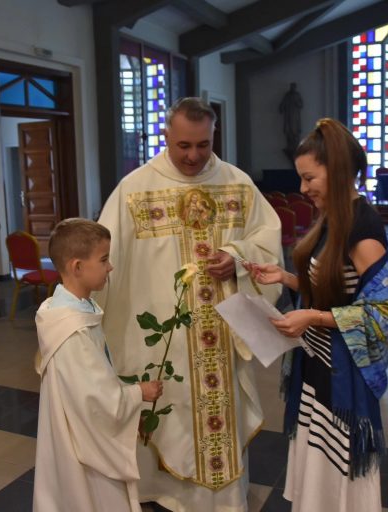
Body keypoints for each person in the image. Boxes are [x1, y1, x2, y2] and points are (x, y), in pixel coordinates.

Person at [95, 97, 283, 511]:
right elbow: (104, 261)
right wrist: (77, 315)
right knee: (168, 411)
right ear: (166, 136)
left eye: (203, 144)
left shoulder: (237, 184)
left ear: (214, 135)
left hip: (221, 335)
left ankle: (224, 501)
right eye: (183, 145)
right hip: (163, 340)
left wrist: (237, 258)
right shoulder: (135, 190)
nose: (194, 155)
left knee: (221, 418)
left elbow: (268, 242)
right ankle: (165, 493)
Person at [246, 118, 388, 511]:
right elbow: (333, 290)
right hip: (319, 366)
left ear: (338, 170)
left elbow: (384, 313)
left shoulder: (362, 229)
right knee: (319, 475)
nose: (302, 188)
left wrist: (312, 318)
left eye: (309, 178)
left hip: (342, 376)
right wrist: (285, 277)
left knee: (337, 476)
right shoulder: (334, 218)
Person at [33, 218, 164, 512]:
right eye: (104, 260)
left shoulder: (73, 309)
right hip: (81, 444)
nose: (110, 267)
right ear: (78, 267)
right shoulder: (72, 330)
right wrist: (138, 393)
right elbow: (93, 401)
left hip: (78, 428)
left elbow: (93, 382)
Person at [279, 82, 303, 159]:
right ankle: (290, 146)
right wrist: (281, 108)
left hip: (295, 117)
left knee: (295, 131)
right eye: (291, 86)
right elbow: (283, 104)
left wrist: (296, 102)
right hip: (288, 116)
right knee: (288, 131)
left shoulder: (297, 95)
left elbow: (301, 105)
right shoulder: (287, 95)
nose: (292, 88)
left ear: (295, 88)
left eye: (293, 87)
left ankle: (296, 146)